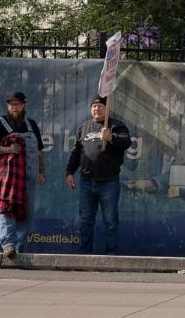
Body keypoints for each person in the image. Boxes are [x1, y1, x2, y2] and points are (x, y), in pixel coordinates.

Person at [0, 91, 46, 258]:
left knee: (27, 213)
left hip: (29, 178)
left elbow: (39, 151)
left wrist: (41, 172)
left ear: (24, 105)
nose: (14, 107)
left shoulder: (31, 125)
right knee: (8, 209)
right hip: (7, 178)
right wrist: (7, 149)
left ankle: (19, 246)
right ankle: (8, 244)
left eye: (17, 104)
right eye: (11, 104)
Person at [65, 94, 132, 254]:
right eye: (94, 106)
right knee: (86, 221)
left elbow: (126, 142)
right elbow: (76, 153)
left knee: (110, 221)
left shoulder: (116, 125)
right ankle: (84, 256)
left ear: (106, 109)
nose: (97, 109)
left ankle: (111, 255)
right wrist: (69, 172)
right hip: (86, 182)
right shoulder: (84, 127)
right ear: (90, 109)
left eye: (100, 106)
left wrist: (111, 137)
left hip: (109, 183)